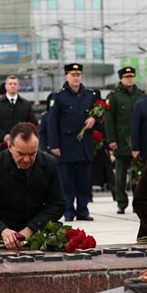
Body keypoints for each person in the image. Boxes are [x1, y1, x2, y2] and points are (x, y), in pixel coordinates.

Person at [0, 123, 66, 249]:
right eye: (21, 154)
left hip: (39, 236)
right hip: (0, 239)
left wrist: (31, 229)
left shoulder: (49, 164)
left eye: (32, 154)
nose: (26, 159)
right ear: (10, 146)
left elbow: (57, 204)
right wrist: (3, 231)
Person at [48, 63, 96, 222]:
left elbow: (101, 117)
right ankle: (68, 211)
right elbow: (52, 122)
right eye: (73, 74)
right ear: (67, 76)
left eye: (78, 74)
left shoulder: (90, 95)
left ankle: (83, 210)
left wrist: (94, 119)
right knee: (66, 182)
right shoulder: (58, 96)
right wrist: (54, 145)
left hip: (84, 146)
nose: (76, 77)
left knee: (84, 181)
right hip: (66, 145)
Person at [105, 66, 145, 214]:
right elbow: (109, 119)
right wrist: (111, 140)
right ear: (121, 78)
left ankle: (137, 202)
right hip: (121, 141)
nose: (129, 79)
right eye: (126, 77)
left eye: (131, 76)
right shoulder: (114, 95)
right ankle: (121, 203)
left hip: (138, 142)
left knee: (138, 176)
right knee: (120, 175)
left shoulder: (141, 94)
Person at [0, 75, 37, 149]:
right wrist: (3, 136)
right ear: (6, 86)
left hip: (22, 144)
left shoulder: (26, 104)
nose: (13, 86)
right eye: (10, 84)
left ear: (18, 86)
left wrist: (23, 135)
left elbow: (33, 123)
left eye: (15, 84)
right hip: (2, 145)